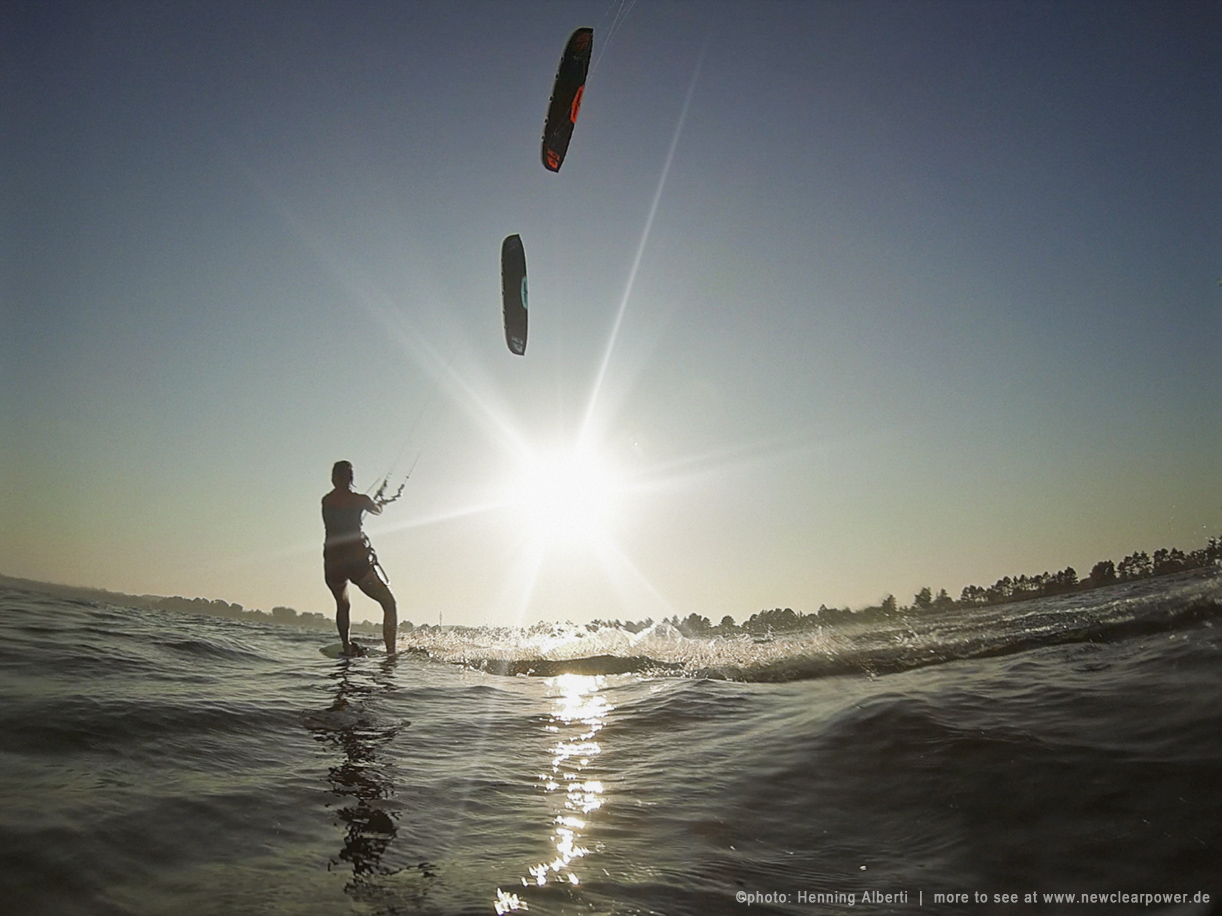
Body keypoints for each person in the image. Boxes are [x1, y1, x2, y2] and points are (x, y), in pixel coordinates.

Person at [322, 460, 397, 656]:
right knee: (389, 603)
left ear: (333, 478)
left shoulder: (326, 501)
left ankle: (346, 646)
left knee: (343, 604)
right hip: (355, 562)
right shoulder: (360, 500)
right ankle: (391, 654)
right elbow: (376, 510)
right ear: (351, 478)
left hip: (332, 563)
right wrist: (379, 503)